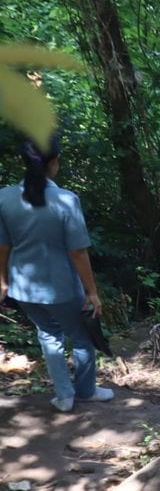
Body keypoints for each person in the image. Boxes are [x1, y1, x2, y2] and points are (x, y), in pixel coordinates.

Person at [0, 136, 113, 413]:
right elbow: (78, 252)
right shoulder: (65, 200)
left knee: (48, 335)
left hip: (23, 288)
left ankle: (64, 397)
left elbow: (3, 245)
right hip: (62, 287)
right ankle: (86, 391)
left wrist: (2, 281)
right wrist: (92, 292)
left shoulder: (3, 198)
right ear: (55, 162)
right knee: (82, 336)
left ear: (22, 161)